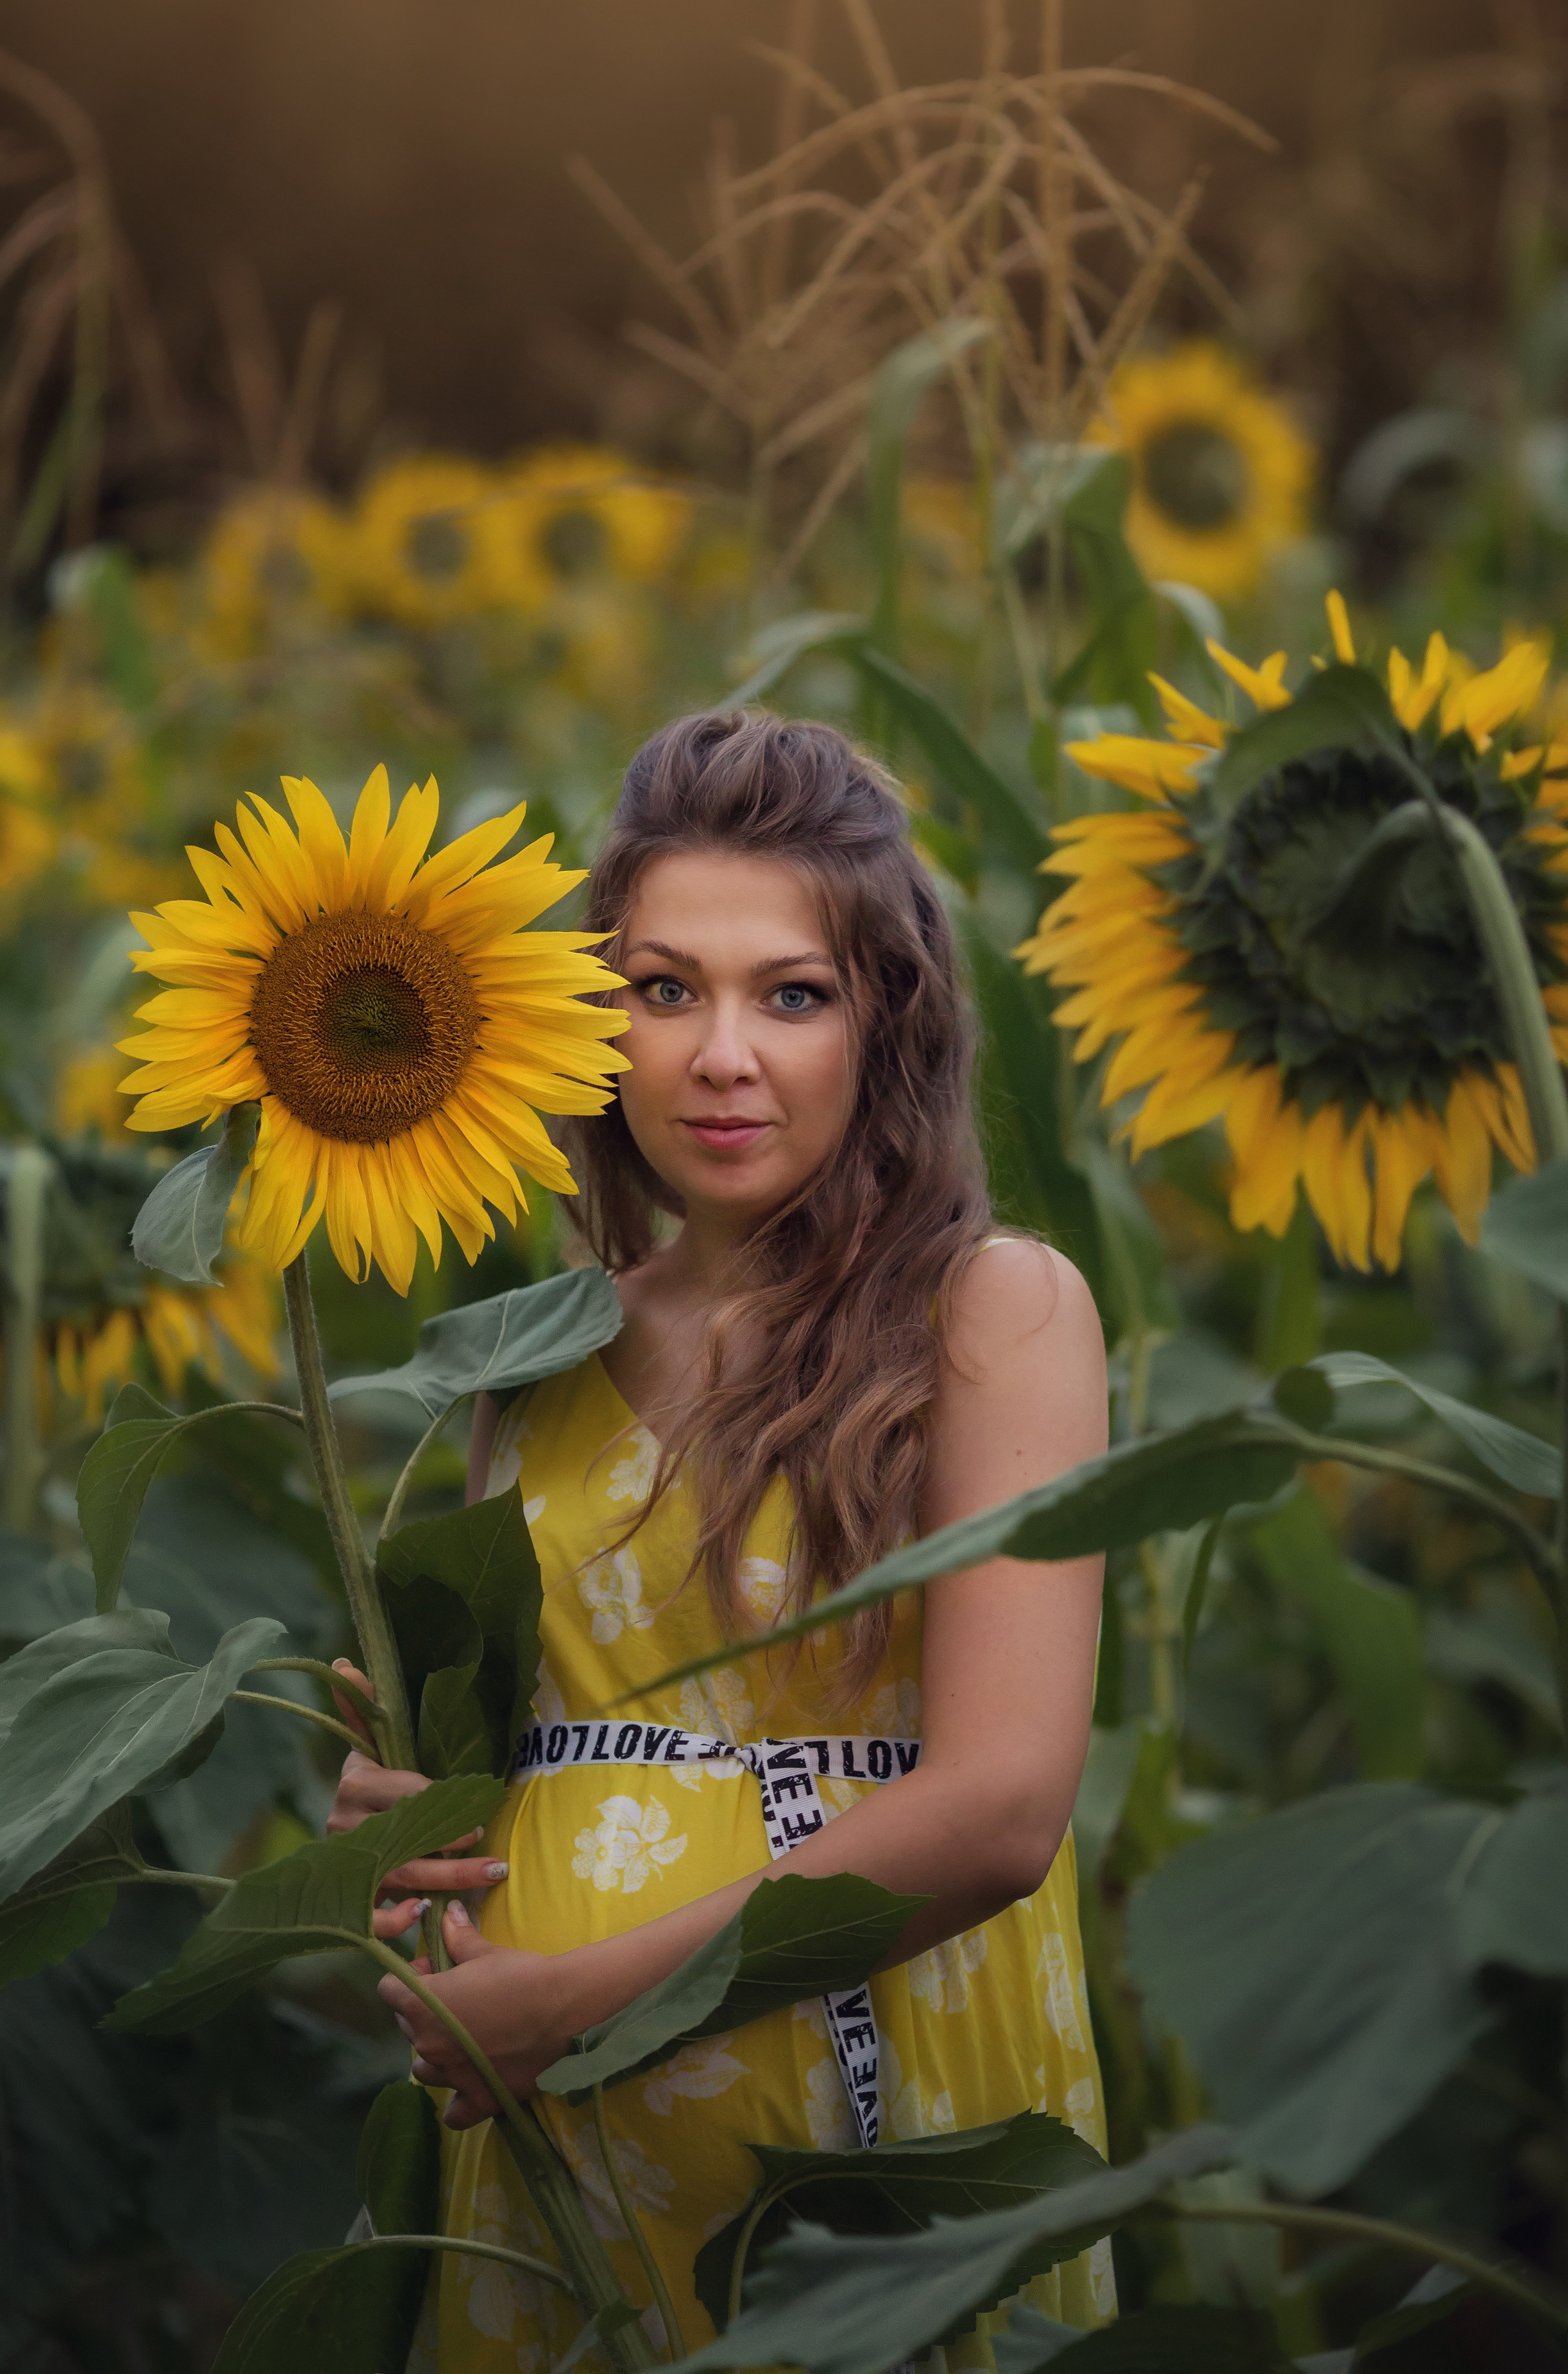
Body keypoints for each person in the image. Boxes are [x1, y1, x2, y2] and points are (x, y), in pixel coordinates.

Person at [328, 711, 1115, 2365]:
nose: (720, 1055)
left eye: (793, 994)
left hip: (861, 2137)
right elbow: (526, 1740)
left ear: (884, 1021)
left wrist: (575, 1997)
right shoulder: (534, 1348)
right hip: (567, 2164)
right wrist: (415, 1811)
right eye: (664, 987)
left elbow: (1000, 1808)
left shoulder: (993, 1313)